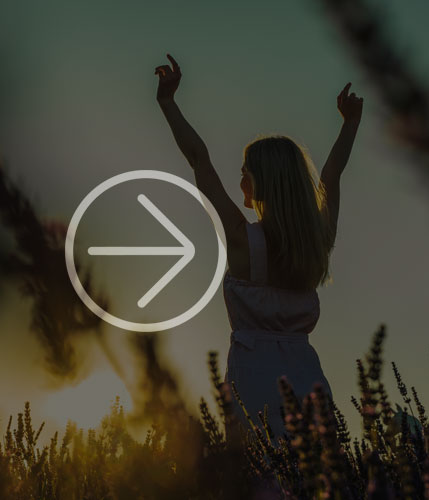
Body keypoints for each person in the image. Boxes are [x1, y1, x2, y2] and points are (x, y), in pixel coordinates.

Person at [154, 53, 362, 445]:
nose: (240, 178)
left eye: (245, 171)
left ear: (263, 181)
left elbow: (199, 160)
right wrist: (351, 124)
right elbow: (332, 174)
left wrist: (168, 103)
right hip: (308, 383)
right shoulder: (316, 243)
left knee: (260, 479)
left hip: (254, 386)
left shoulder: (241, 240)